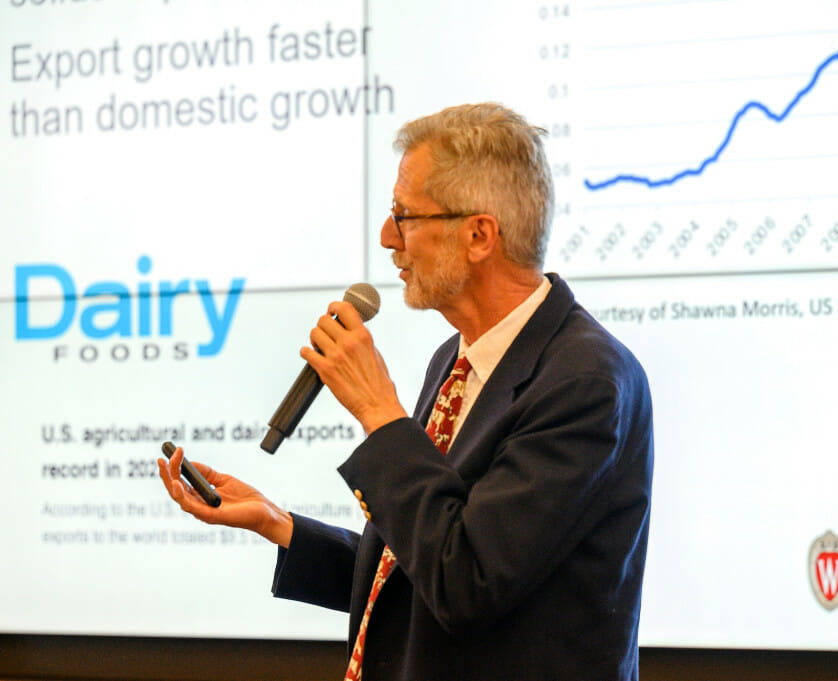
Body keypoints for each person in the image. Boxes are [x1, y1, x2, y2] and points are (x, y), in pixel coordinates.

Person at [158, 102, 654, 681]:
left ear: (478, 234)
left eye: (404, 214)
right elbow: (417, 565)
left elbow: (467, 583)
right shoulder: (456, 357)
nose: (387, 237)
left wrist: (379, 412)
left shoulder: (585, 381)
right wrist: (277, 523)